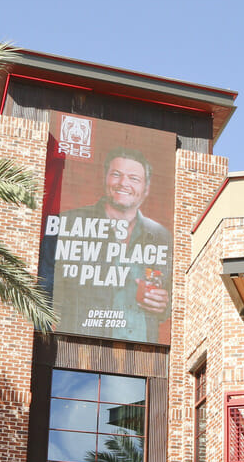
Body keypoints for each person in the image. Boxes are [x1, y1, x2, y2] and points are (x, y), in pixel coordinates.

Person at [50, 147, 174, 343]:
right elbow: (44, 288)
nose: (123, 183)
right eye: (116, 174)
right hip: (77, 349)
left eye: (134, 178)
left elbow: (173, 297)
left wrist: (164, 305)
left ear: (146, 188)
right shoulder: (69, 223)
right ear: (105, 179)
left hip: (141, 355)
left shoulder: (162, 236)